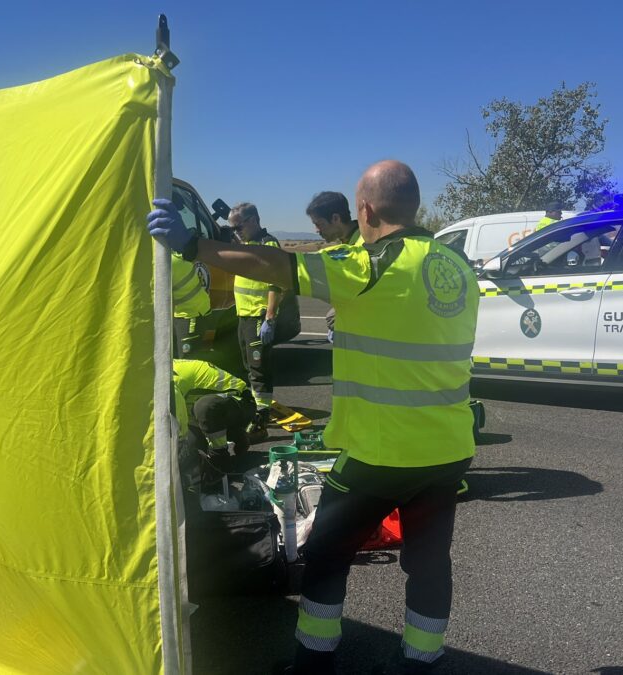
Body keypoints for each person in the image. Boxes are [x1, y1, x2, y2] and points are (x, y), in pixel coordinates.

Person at [149, 160, 479, 674]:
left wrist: (194, 247)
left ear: (365, 209)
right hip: (448, 450)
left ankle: (314, 661)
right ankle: (421, 660)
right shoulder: (454, 265)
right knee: (429, 562)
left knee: (325, 555)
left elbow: (277, 266)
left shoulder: (371, 264)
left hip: (380, 451)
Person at [228, 202, 281, 441]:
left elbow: (276, 283)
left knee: (259, 369)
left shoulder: (268, 244)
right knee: (248, 367)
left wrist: (270, 316)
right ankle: (256, 412)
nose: (236, 232)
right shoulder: (246, 244)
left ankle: (261, 421)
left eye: (239, 226)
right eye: (233, 228)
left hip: (259, 316)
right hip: (243, 316)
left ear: (253, 221)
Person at [173, 358, 256, 486]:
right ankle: (235, 433)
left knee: (204, 406)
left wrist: (179, 444)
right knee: (190, 453)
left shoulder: (169, 380)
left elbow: (177, 418)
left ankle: (221, 458)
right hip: (210, 414)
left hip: (241, 403)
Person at [306, 191, 359, 342]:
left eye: (319, 224)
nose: (317, 230)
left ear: (336, 218)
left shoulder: (364, 245)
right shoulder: (348, 242)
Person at [171, 252, 212, 357]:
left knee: (187, 361)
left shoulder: (167, 263)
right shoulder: (172, 256)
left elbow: (163, 299)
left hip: (191, 314)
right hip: (188, 312)